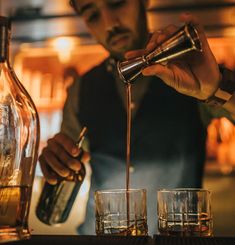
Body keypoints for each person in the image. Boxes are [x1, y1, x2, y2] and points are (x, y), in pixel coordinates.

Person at [38, 0, 235, 235]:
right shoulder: (82, 89)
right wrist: (58, 167)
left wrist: (217, 87)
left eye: (116, 3)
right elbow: (63, 186)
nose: (109, 23)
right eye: (92, 15)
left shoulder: (190, 70)